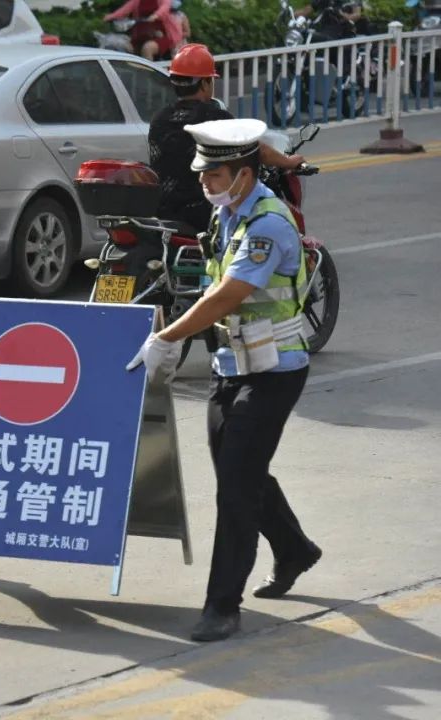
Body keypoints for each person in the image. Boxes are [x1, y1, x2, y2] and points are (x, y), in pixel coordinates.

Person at [128, 118, 323, 643]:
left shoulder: (266, 224)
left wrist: (167, 337)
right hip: (232, 367)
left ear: (242, 173)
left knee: (235, 487)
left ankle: (222, 605)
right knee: (242, 474)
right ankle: (296, 549)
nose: (203, 182)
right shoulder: (227, 216)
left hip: (276, 371)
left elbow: (229, 293)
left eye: (213, 174)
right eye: (203, 173)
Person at [148, 44, 305, 234]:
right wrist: (288, 162)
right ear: (205, 83)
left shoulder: (159, 118)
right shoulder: (213, 115)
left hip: (165, 209)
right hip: (205, 209)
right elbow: (257, 149)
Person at [104, 0, 183, 60]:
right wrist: (111, 16)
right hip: (140, 35)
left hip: (160, 36)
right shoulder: (137, 1)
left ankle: (149, 77)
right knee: (126, 50)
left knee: (147, 48)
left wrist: (155, 15)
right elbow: (124, 10)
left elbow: (164, 8)